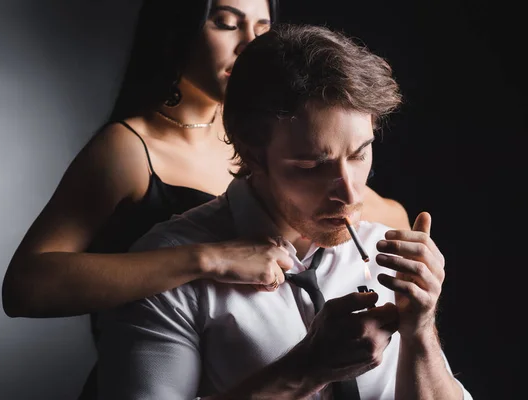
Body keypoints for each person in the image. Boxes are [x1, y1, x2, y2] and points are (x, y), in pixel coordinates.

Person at [95, 23, 473, 399]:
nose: (350, 192)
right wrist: (305, 370)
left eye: (359, 154)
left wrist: (421, 330)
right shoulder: (169, 269)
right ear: (252, 154)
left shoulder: (385, 250)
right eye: (311, 166)